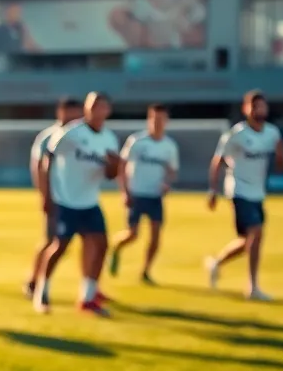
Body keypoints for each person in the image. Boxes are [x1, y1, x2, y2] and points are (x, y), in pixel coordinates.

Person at [33, 91, 120, 317]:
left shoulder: (109, 139)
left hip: (89, 201)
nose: (96, 111)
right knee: (59, 246)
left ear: (107, 111)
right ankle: (42, 291)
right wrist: (46, 194)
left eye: (101, 106)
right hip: (66, 200)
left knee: (101, 245)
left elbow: (111, 174)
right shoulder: (71, 133)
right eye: (92, 106)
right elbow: (46, 159)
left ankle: (87, 297)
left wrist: (114, 165)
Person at [204, 90, 283, 301]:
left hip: (258, 192)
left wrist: (281, 158)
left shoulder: (272, 133)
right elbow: (217, 161)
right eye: (255, 106)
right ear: (246, 109)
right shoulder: (236, 134)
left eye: (262, 106)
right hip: (238, 190)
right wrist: (212, 190)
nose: (259, 110)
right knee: (256, 233)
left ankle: (216, 263)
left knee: (249, 240)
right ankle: (253, 287)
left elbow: (280, 158)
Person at [108, 104, 180, 284]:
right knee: (132, 234)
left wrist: (167, 183)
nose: (157, 123)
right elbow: (122, 166)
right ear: (149, 119)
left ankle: (145, 271)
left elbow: (172, 171)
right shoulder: (137, 141)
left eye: (161, 119)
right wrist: (124, 191)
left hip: (155, 196)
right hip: (137, 193)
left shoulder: (169, 146)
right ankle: (116, 247)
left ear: (166, 121)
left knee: (156, 236)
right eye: (154, 119)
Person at [25, 96, 83, 299]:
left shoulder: (80, 136)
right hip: (56, 198)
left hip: (75, 198)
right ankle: (33, 281)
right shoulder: (49, 136)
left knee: (86, 241)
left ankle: (90, 287)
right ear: (61, 112)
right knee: (51, 240)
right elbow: (38, 167)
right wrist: (44, 195)